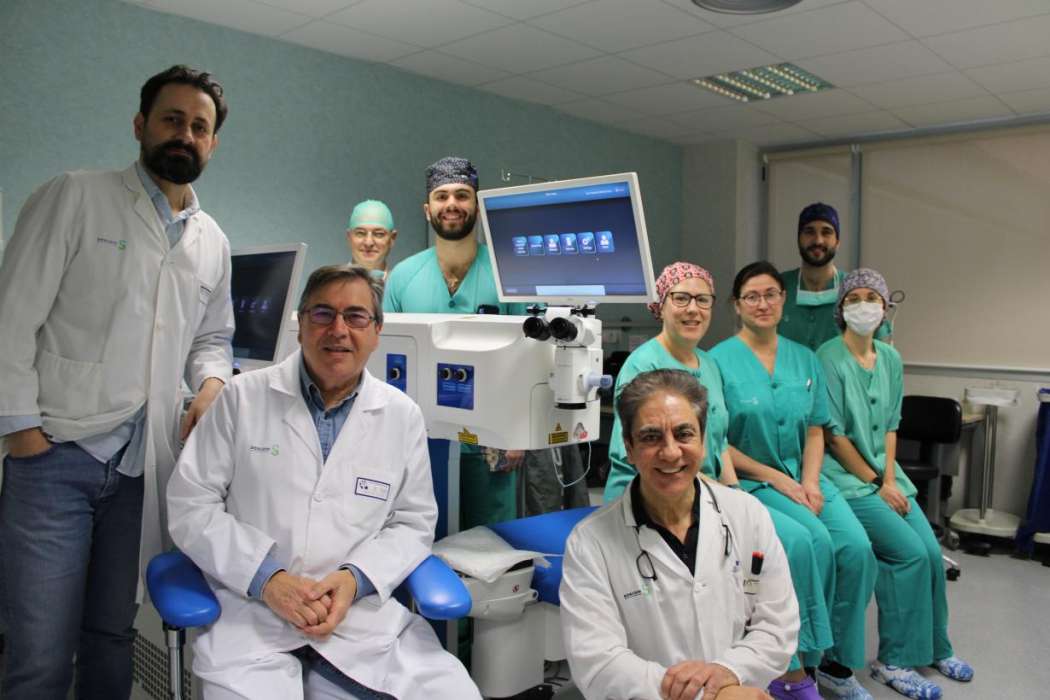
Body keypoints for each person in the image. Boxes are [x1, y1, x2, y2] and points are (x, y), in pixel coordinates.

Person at [0, 65, 234, 700]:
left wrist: (212, 384)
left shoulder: (211, 240)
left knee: (113, 635)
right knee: (40, 650)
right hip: (55, 457)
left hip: (140, 468)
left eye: (199, 127)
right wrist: (22, 433)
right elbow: (12, 316)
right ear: (140, 125)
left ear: (213, 143)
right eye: (172, 120)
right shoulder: (75, 196)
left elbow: (212, 338)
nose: (185, 135)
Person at [167, 265, 479, 700]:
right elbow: (191, 506)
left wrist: (354, 580)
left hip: (361, 622)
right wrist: (267, 580)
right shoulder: (241, 398)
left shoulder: (401, 415)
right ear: (300, 325)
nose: (338, 330)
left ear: (376, 332)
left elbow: (413, 522)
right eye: (323, 314)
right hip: (253, 617)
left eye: (355, 316)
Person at [603, 262, 833, 698]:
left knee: (778, 544)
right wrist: (710, 498)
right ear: (661, 306)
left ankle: (776, 663)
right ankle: (787, 675)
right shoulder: (643, 365)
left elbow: (720, 441)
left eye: (702, 299)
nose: (693, 309)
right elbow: (638, 456)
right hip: (653, 493)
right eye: (681, 298)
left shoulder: (708, 364)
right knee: (787, 543)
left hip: (706, 490)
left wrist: (736, 497)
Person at [561, 369, 796, 700]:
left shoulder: (747, 514)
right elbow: (598, 664)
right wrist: (710, 696)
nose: (671, 452)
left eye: (684, 434)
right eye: (651, 437)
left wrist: (728, 671)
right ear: (629, 448)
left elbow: (777, 626)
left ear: (703, 441)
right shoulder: (590, 543)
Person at [711, 262, 877, 700]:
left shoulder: (804, 358)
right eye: (752, 296)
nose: (762, 303)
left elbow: (816, 429)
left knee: (856, 548)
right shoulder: (718, 361)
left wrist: (811, 482)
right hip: (754, 480)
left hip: (805, 474)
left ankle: (835, 662)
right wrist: (779, 480)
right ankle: (792, 664)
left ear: (783, 299)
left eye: (771, 294)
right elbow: (718, 442)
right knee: (808, 543)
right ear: (736, 305)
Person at [818, 268, 972, 700]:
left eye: (872, 298)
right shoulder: (828, 357)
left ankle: (936, 647)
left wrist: (890, 477)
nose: (863, 305)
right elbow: (834, 436)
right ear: (841, 308)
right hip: (846, 477)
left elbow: (890, 426)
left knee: (930, 553)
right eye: (854, 298)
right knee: (907, 554)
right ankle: (894, 661)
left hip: (886, 475)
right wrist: (875, 481)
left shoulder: (890, 358)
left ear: (886, 308)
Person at [383, 156, 529, 529]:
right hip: (419, 439)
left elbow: (532, 355)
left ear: (477, 206)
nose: (452, 204)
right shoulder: (403, 277)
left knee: (492, 542)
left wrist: (519, 433)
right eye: (442, 196)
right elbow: (384, 359)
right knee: (422, 536)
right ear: (427, 209)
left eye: (462, 195)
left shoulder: (509, 272)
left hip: (493, 441)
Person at [779, 203, 889, 352]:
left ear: (837, 242)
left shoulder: (858, 289)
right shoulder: (777, 288)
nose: (818, 240)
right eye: (809, 232)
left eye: (826, 232)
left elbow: (880, 354)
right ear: (799, 239)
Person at [346, 199, 397, 277]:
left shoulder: (401, 284)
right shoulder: (330, 284)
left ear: (392, 238)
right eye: (360, 233)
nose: (368, 243)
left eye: (379, 234)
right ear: (349, 237)